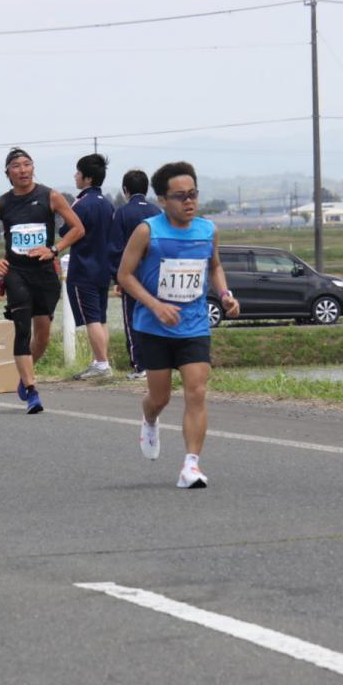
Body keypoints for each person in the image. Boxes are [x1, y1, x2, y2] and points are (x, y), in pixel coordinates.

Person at [117, 161, 240, 489]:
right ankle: (149, 419)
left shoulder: (207, 230)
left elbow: (214, 267)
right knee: (160, 397)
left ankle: (191, 466)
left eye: (193, 194)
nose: (189, 202)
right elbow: (124, 276)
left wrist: (225, 294)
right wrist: (155, 305)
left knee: (197, 392)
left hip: (194, 325)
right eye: (180, 196)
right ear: (162, 200)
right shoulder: (148, 231)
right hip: (153, 327)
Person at [0, 147, 85, 414]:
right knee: (22, 330)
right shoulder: (0, 204)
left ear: (33, 168)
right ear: (8, 173)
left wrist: (55, 249)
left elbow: (78, 228)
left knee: (42, 336)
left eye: (27, 164)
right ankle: (32, 389)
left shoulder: (50, 196)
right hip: (17, 273)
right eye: (16, 166)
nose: (23, 170)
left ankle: (24, 376)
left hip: (45, 273)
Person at [61, 153, 116, 380]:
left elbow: (66, 232)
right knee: (101, 318)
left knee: (91, 318)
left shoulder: (82, 204)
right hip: (104, 268)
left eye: (78, 172)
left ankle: (102, 364)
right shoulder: (108, 204)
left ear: (88, 178)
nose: (75, 176)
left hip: (84, 268)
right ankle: (100, 361)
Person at [109, 169, 161, 379]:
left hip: (132, 277)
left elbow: (115, 248)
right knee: (156, 317)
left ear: (125, 190)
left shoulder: (122, 213)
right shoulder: (158, 211)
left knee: (133, 319)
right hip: (157, 275)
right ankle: (159, 365)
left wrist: (117, 278)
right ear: (147, 188)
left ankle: (140, 366)